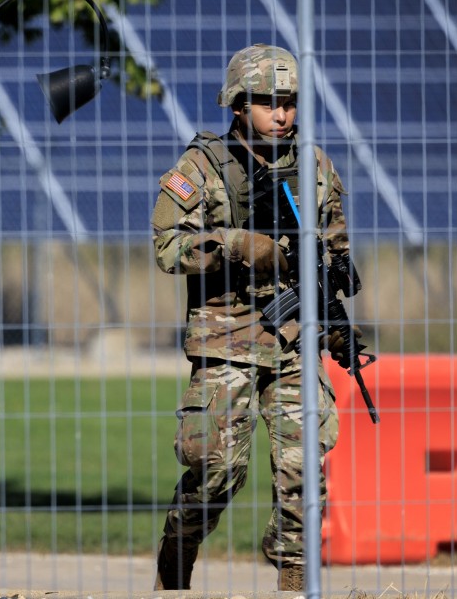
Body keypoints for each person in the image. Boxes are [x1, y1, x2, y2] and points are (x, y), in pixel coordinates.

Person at [149, 44, 360, 591]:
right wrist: (235, 244)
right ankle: (179, 547)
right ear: (238, 105)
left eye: (288, 101)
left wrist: (336, 324)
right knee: (217, 471)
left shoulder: (315, 168)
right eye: (268, 102)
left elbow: (332, 254)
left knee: (303, 472)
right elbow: (168, 247)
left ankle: (294, 578)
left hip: (293, 339)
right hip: (225, 340)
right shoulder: (203, 166)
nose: (282, 113)